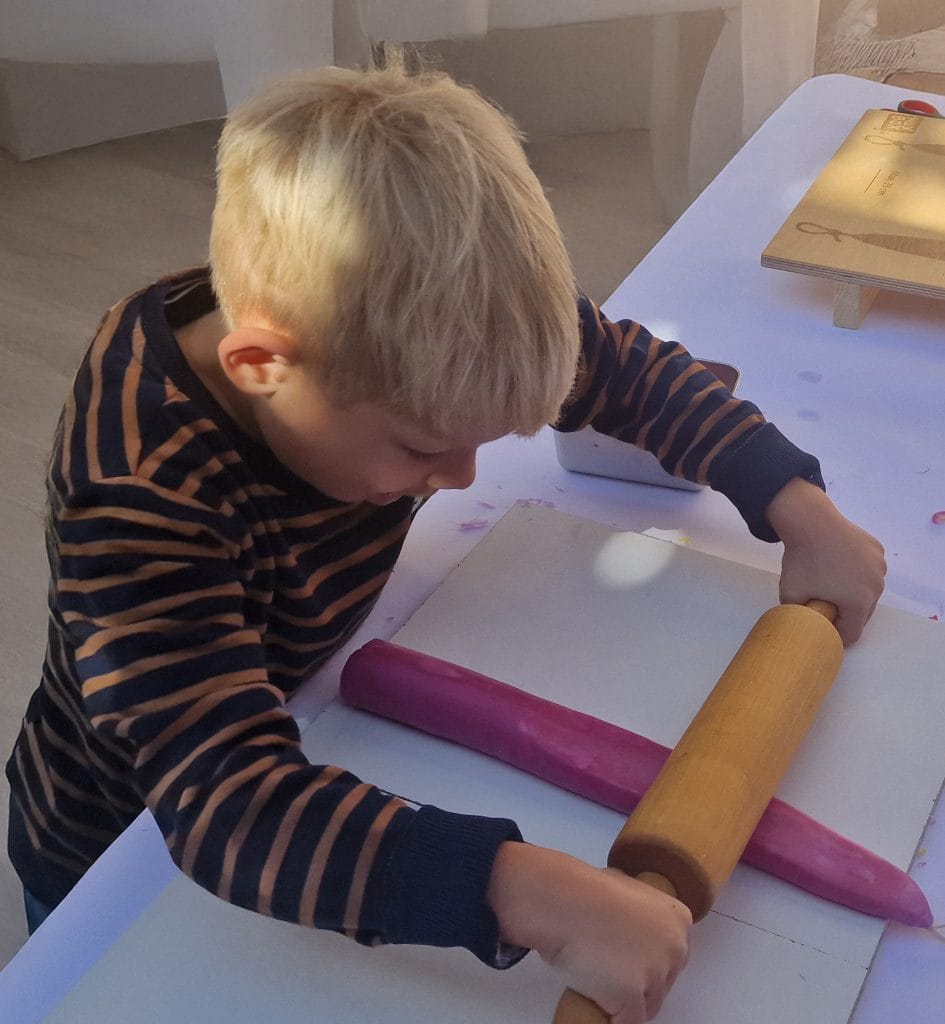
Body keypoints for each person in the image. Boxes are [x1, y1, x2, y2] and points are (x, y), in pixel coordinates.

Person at [5, 52, 885, 1024]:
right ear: (261, 366)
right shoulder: (139, 498)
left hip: (289, 699)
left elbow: (620, 368)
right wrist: (526, 889)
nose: (463, 476)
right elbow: (231, 805)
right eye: (427, 445)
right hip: (118, 837)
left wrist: (794, 500)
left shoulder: (392, 330)